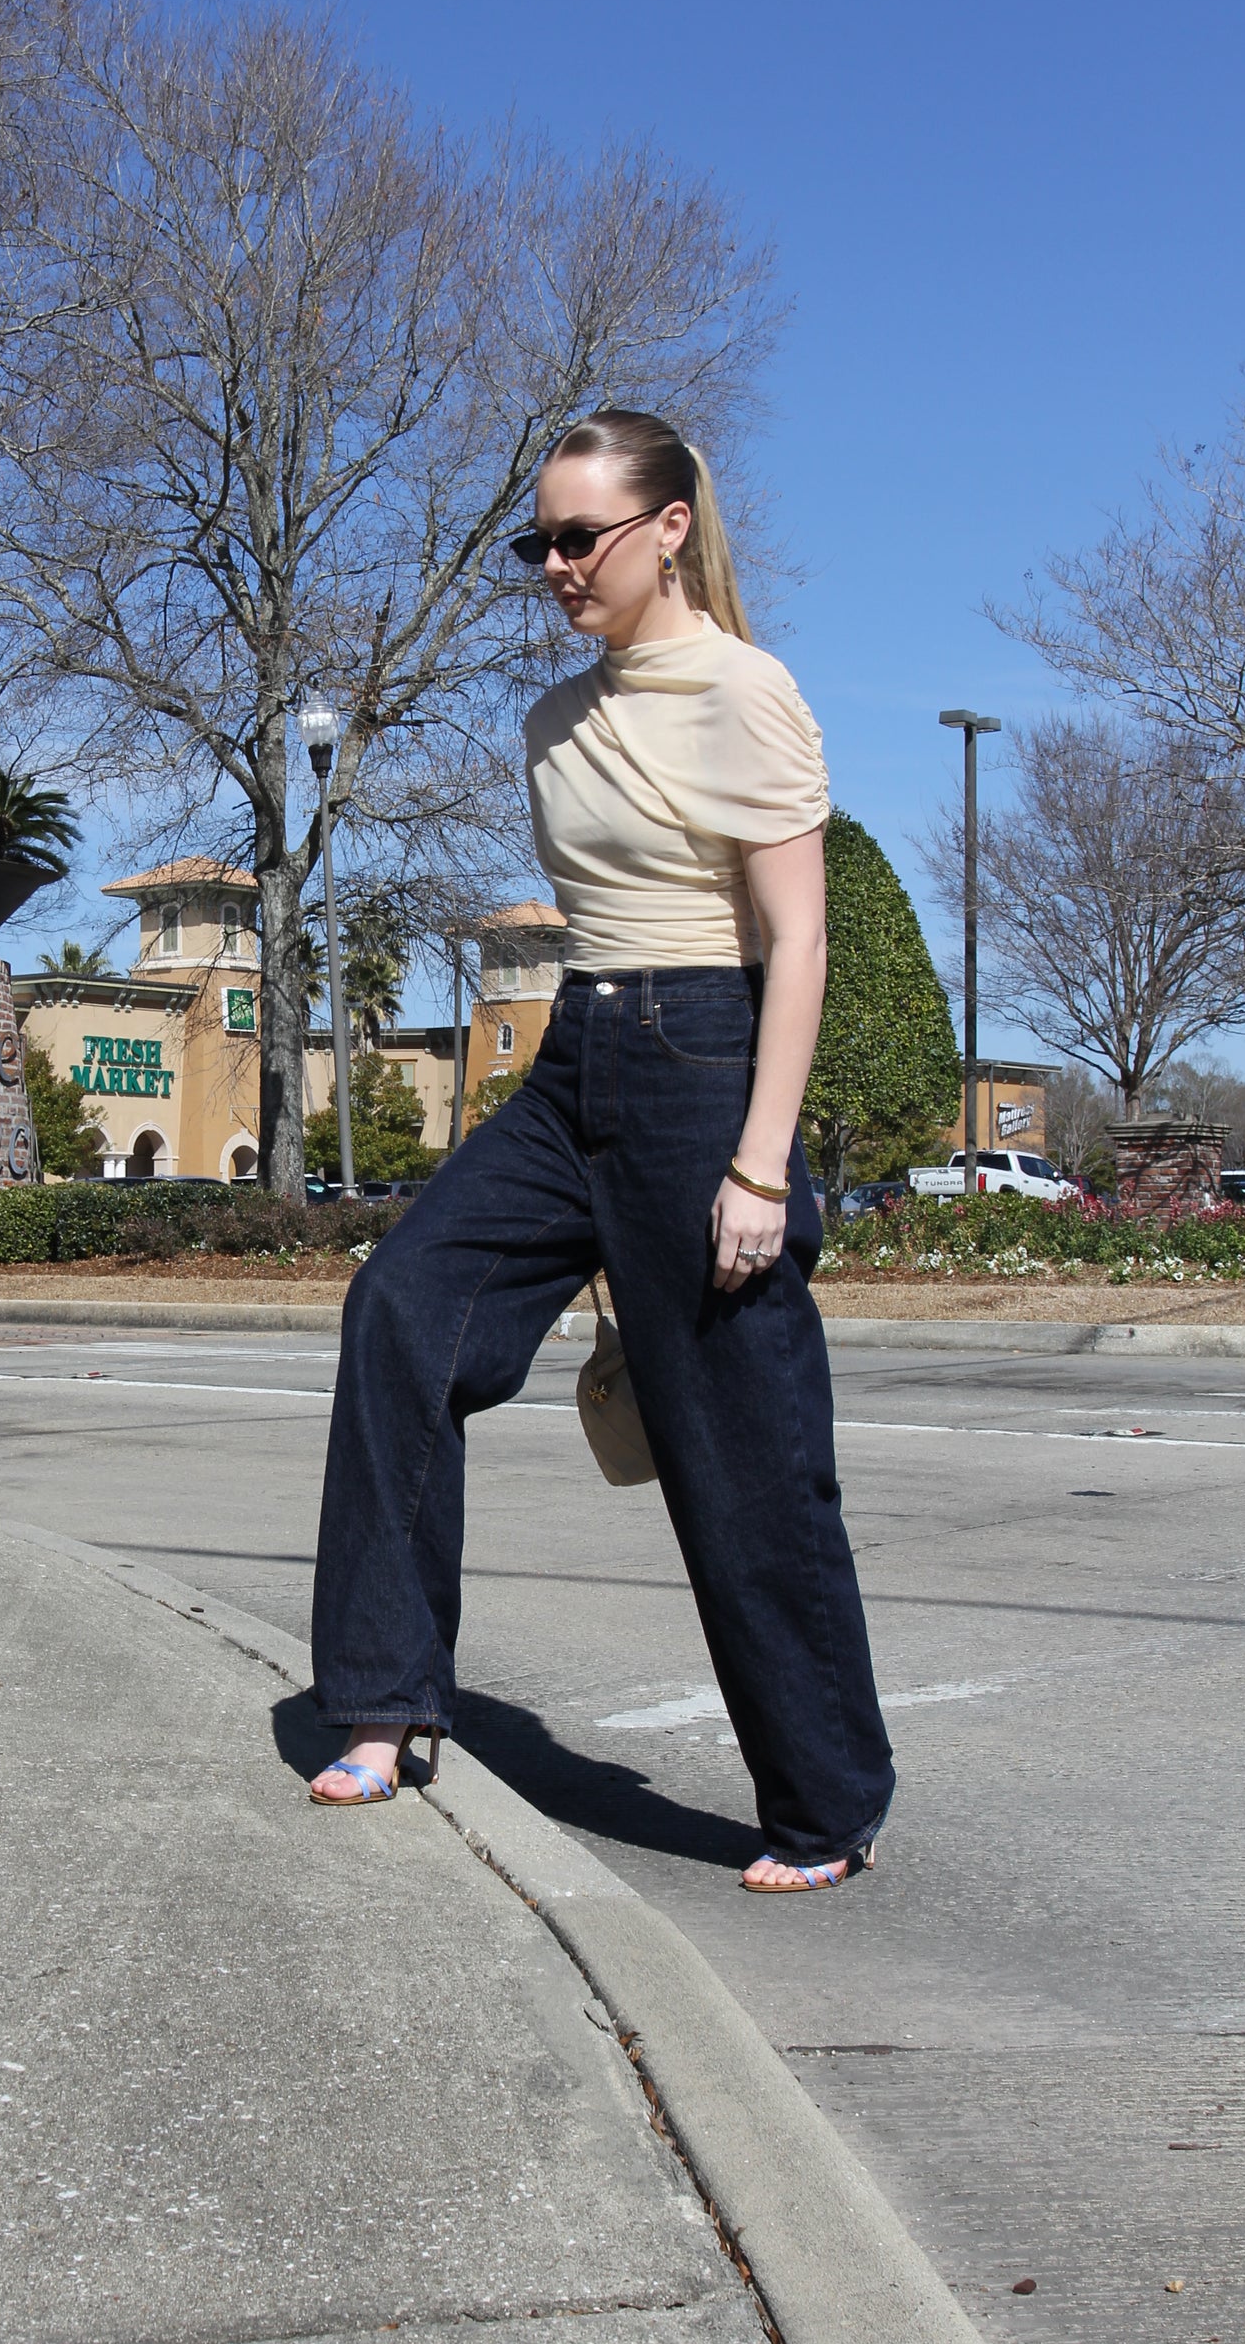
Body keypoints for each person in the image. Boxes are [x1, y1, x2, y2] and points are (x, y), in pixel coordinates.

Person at [305, 408, 894, 1893]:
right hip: (578, 1053)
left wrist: (761, 1165)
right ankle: (384, 1704)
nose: (558, 565)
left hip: (706, 1061)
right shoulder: (550, 721)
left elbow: (798, 938)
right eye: (540, 543)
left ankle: (824, 1802)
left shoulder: (747, 691)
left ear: (670, 527)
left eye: (584, 536)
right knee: (402, 1312)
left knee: (738, 1445)